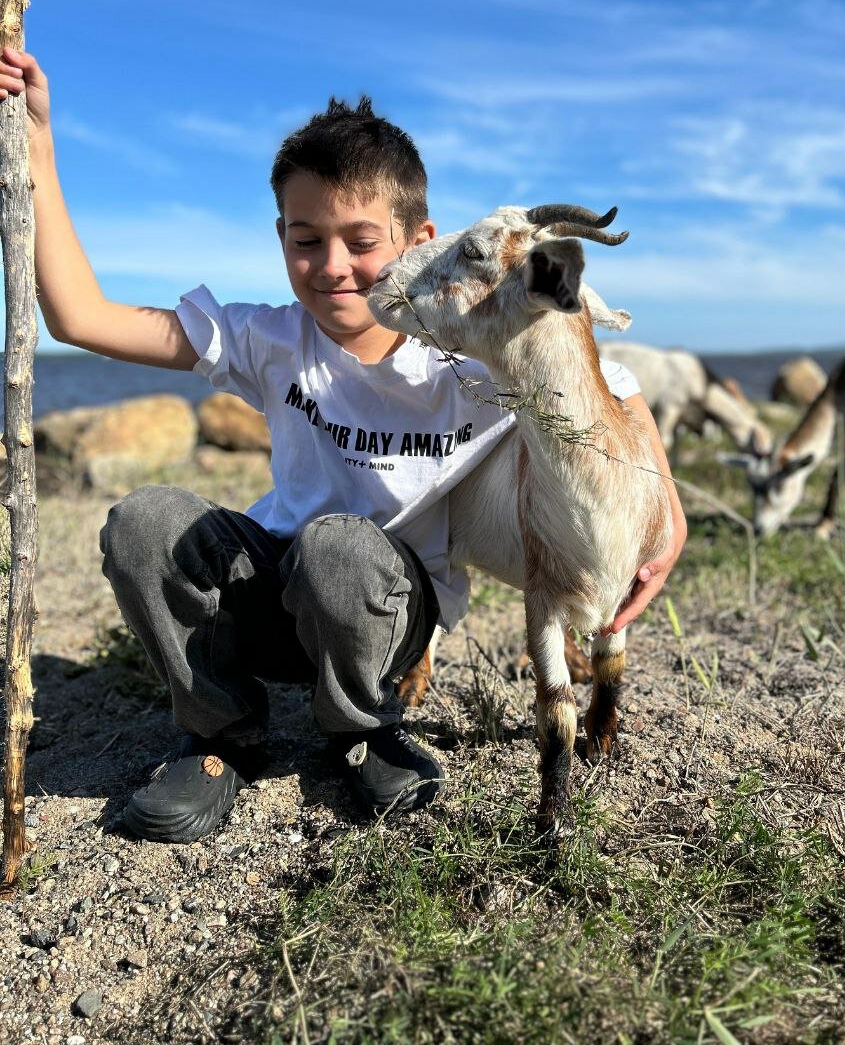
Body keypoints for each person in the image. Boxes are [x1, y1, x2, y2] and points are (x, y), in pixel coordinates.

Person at [0, 46, 687, 843]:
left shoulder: (465, 360)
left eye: (362, 241)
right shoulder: (269, 337)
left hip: (380, 610)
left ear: (421, 240)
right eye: (305, 240)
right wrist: (37, 145)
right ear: (281, 237)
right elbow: (79, 318)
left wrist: (665, 510)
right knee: (144, 520)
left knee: (343, 549)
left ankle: (363, 729)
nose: (332, 268)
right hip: (279, 599)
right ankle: (221, 736)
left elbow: (614, 393)